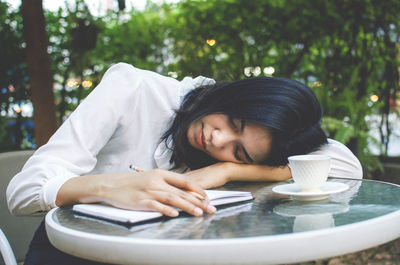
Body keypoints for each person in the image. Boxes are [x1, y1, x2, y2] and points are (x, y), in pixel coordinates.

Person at [6, 63, 362, 264]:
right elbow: (23, 191)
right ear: (235, 94)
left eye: (238, 152)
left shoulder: (229, 156)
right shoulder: (135, 90)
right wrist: (113, 187)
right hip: (75, 252)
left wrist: (225, 170)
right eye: (233, 124)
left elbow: (346, 165)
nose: (217, 140)